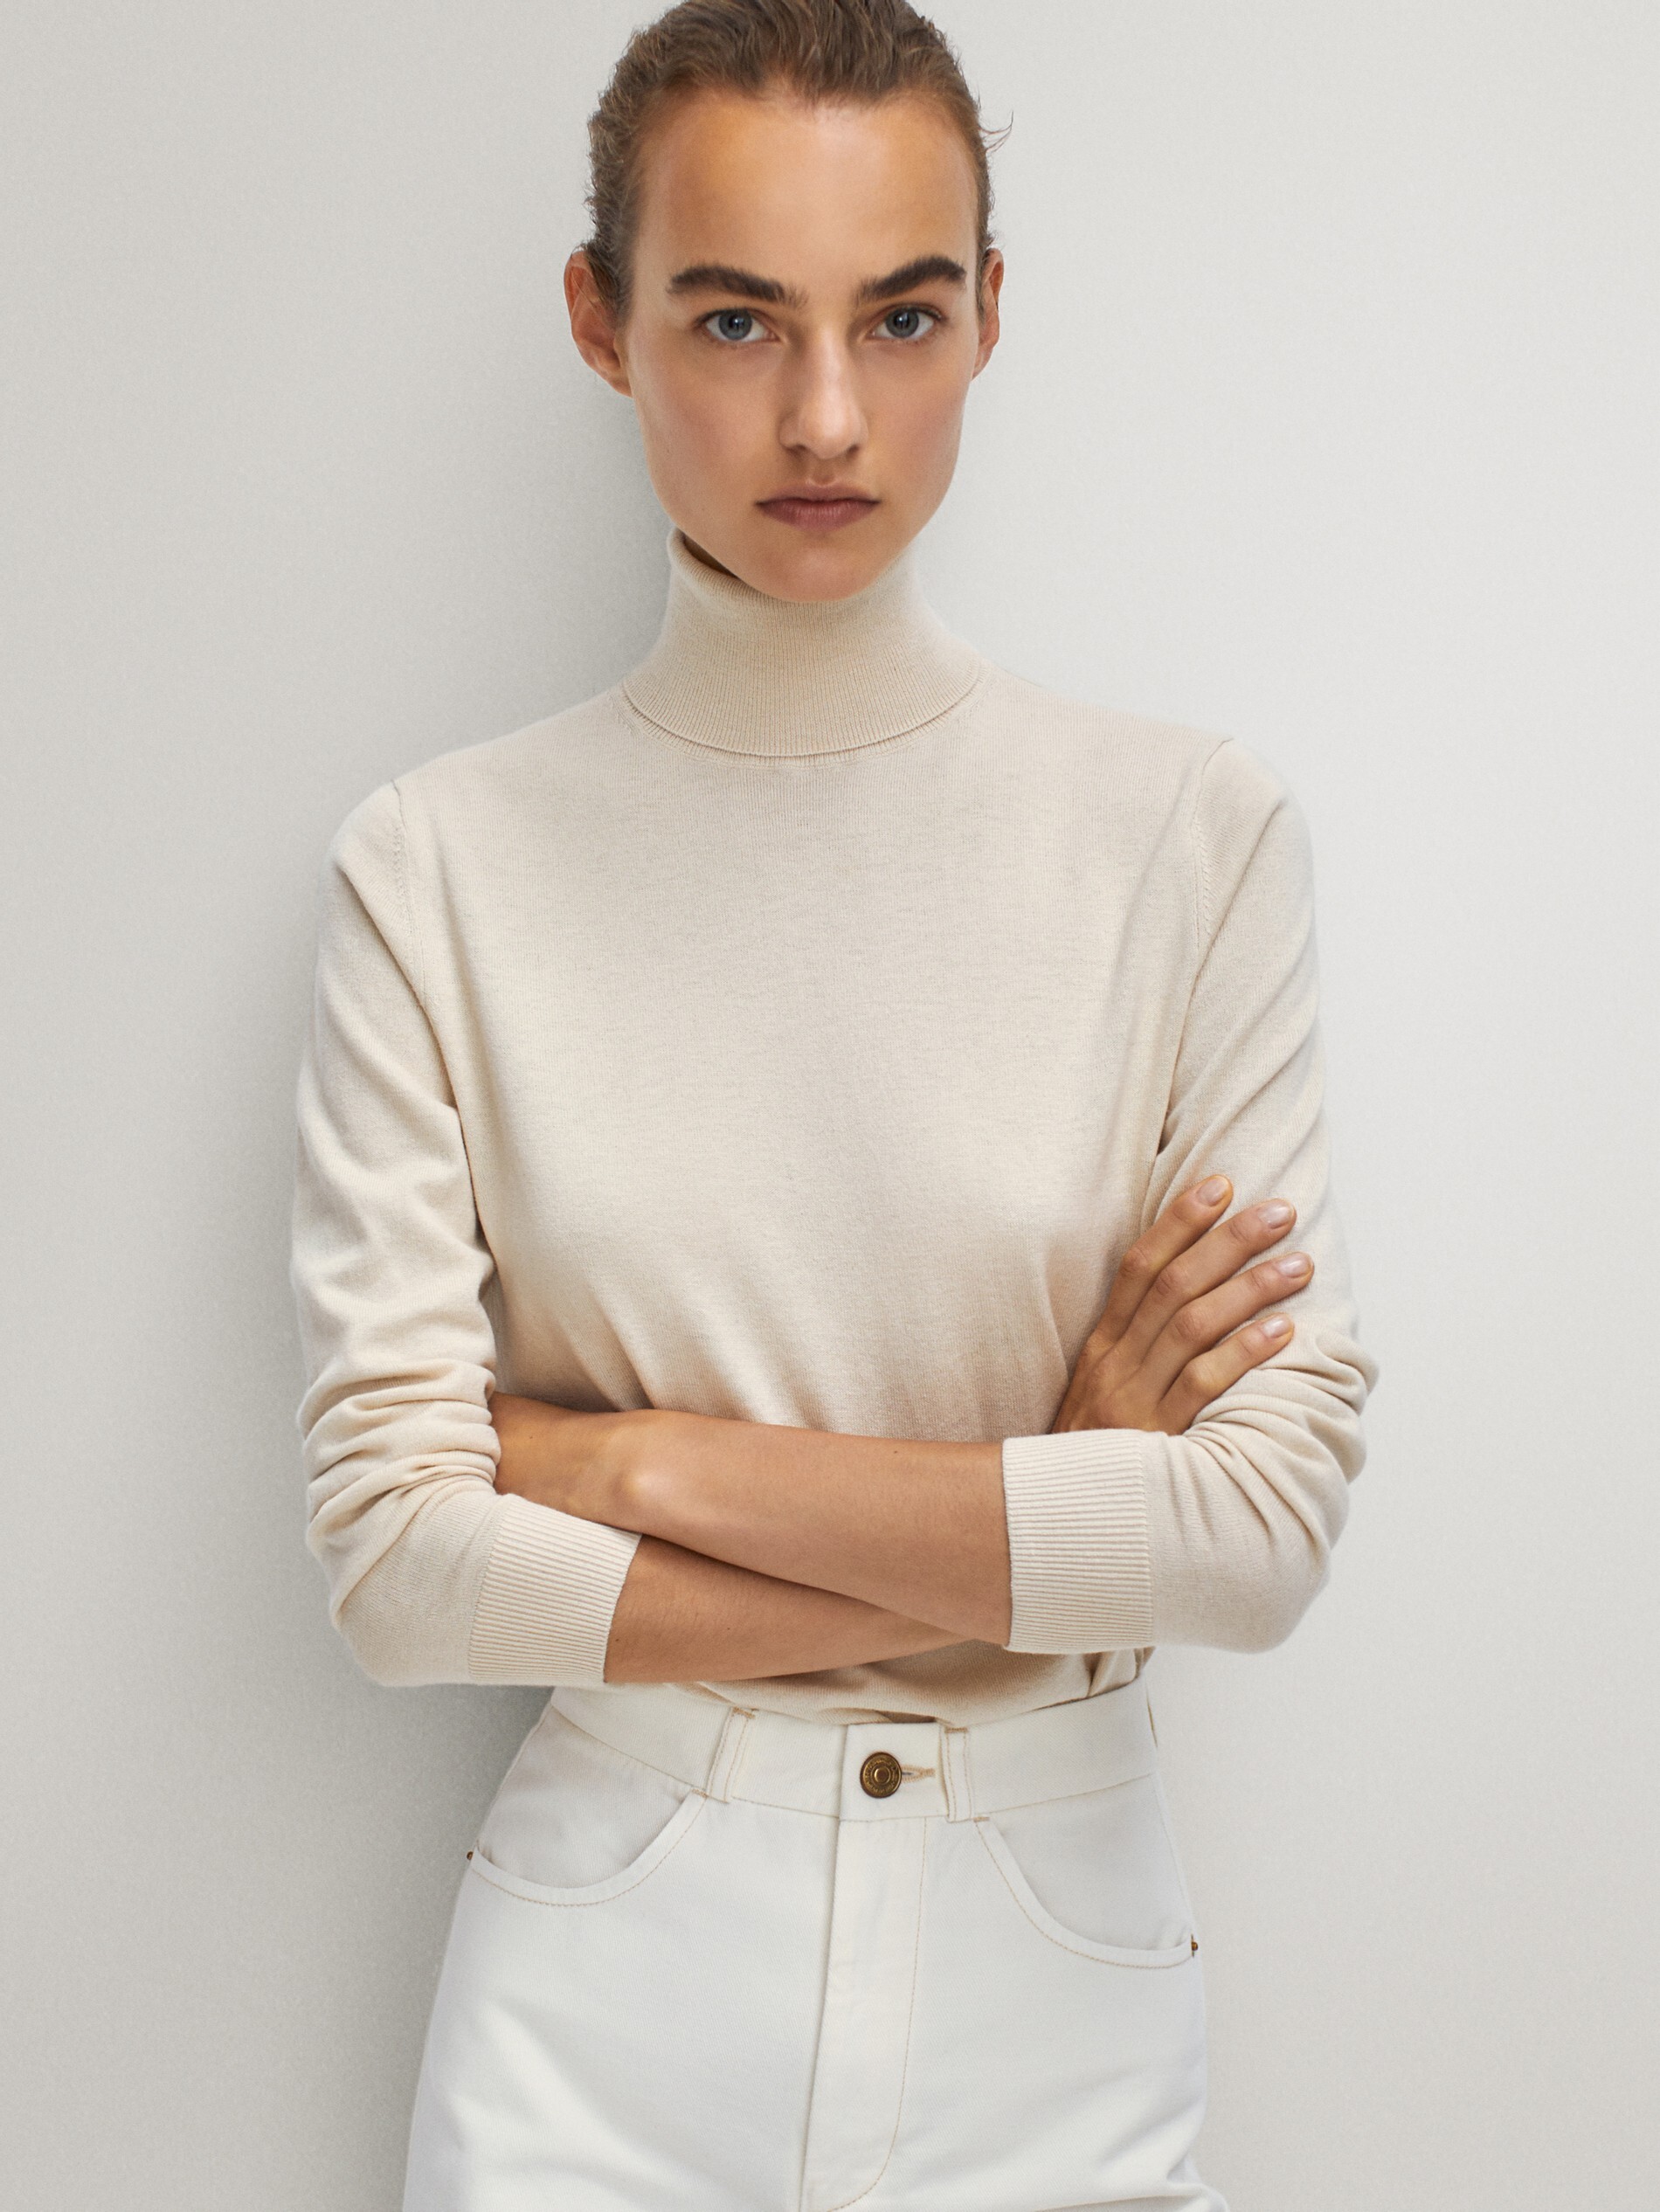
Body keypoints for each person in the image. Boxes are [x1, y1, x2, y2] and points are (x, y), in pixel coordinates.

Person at [288, 3, 1380, 2206]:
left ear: (987, 312)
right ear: (598, 320)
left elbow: (1255, 1538)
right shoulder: (440, 867)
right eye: (732, 318)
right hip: (601, 1998)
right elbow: (400, 1567)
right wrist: (1038, 1515)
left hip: (1051, 1982)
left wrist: (630, 1462)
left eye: (898, 317)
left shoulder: (1185, 838)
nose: (822, 414)